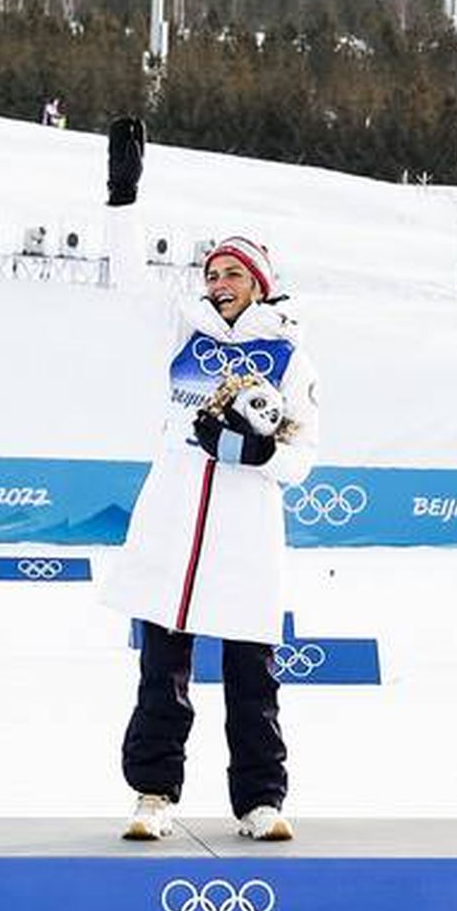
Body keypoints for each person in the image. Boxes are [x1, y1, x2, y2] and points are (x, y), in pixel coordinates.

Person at [103, 230, 322, 844]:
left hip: (244, 533)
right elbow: (127, 288)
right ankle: (153, 795)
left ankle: (259, 802)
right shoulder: (185, 336)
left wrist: (257, 455)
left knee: (252, 677)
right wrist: (123, 206)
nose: (219, 285)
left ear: (259, 283)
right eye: (213, 275)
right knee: (161, 671)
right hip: (173, 527)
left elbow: (301, 459)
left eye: (232, 274)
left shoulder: (288, 356)